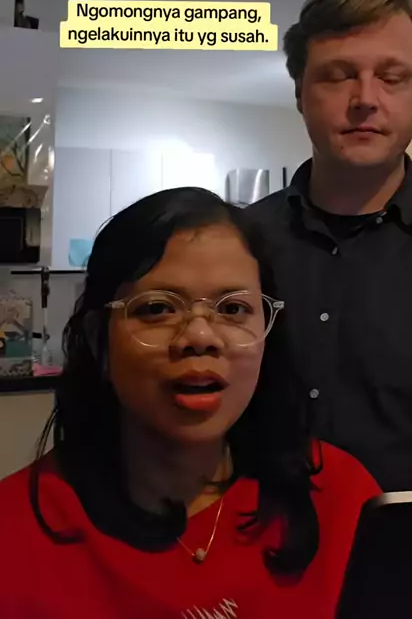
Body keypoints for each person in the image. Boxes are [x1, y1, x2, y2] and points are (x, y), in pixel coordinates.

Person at [0, 187, 380, 619]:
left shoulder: (342, 500)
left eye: (233, 309)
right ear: (98, 340)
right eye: (157, 308)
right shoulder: (13, 535)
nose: (200, 337)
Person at [246, 0, 412, 492]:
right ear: (300, 93)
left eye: (392, 78)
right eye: (338, 76)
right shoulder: (237, 246)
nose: (366, 99)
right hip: (260, 537)